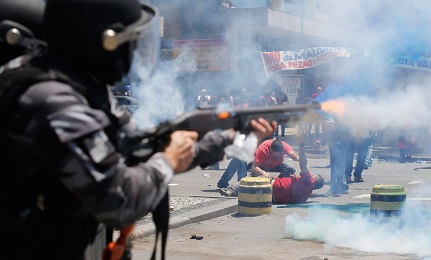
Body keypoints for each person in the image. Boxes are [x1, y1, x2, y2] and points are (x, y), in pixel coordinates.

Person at [0, 0, 276, 259]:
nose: (132, 53)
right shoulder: (53, 99)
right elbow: (117, 201)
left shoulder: (84, 86)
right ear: (104, 41)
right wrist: (168, 161)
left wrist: (230, 138)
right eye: (129, 43)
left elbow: (138, 146)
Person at [220, 138, 324, 204]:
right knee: (240, 161)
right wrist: (264, 173)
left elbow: (300, 161)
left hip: (273, 186)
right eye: (277, 154)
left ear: (314, 178)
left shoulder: (309, 181)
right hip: (258, 165)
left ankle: (233, 189)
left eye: (281, 154)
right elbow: (254, 166)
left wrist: (300, 152)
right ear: (271, 150)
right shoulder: (263, 149)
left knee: (253, 181)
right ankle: (225, 183)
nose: (279, 155)